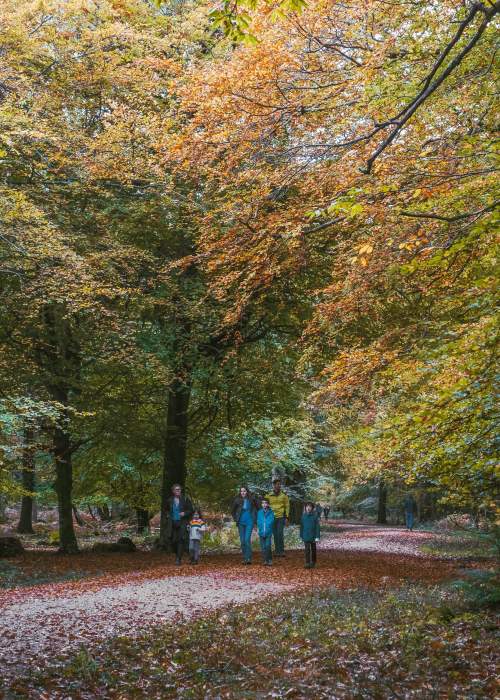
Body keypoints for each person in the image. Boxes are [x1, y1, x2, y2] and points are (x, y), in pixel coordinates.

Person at [166, 484, 193, 565]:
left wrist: (184, 513)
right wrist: (168, 515)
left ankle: (178, 559)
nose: (178, 491)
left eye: (179, 489)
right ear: (173, 491)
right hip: (173, 523)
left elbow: (191, 510)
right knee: (173, 541)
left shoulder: (185, 499)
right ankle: (180, 554)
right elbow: (166, 509)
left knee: (181, 540)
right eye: (177, 489)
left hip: (182, 523)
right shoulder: (170, 500)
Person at [232, 486, 257, 564]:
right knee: (242, 541)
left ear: (247, 492)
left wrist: (254, 519)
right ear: (240, 492)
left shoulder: (252, 499)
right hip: (240, 523)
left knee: (247, 540)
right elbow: (232, 511)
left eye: (244, 491)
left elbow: (258, 508)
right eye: (241, 491)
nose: (243, 492)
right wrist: (236, 519)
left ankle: (249, 558)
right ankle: (245, 558)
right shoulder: (237, 500)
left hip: (249, 521)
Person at [265, 478, 289, 557]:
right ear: (274, 485)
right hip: (272, 517)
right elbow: (265, 505)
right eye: (277, 484)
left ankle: (281, 551)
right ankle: (277, 551)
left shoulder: (284, 496)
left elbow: (287, 507)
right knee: (275, 534)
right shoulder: (268, 496)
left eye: (279, 484)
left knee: (280, 533)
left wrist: (287, 517)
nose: (279, 485)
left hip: (281, 517)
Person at [300, 501, 320, 568]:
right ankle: (307, 563)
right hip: (305, 535)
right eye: (307, 506)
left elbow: (317, 527)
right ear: (305, 508)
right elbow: (301, 527)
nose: (308, 508)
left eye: (310, 506)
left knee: (313, 549)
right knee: (307, 550)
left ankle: (313, 562)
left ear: (312, 508)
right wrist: (301, 536)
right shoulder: (303, 516)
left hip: (313, 536)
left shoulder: (315, 516)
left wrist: (317, 536)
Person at [257, 498, 275, 566]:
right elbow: (258, 521)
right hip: (261, 532)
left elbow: (272, 521)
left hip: (268, 532)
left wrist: (268, 526)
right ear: (261, 504)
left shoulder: (271, 512)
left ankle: (269, 559)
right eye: (263, 503)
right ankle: (265, 560)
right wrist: (260, 527)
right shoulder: (259, 512)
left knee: (268, 546)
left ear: (268, 504)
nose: (264, 504)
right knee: (263, 547)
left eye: (265, 503)